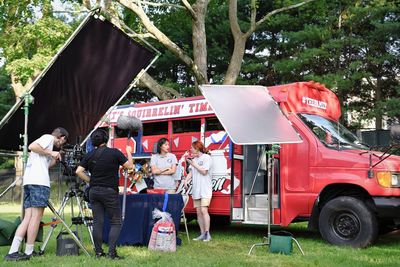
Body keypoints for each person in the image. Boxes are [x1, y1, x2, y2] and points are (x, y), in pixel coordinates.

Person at [4, 127, 69, 261]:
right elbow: (32, 146)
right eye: (63, 142)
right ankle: (29, 251)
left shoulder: (46, 145)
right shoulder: (48, 138)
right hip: (39, 183)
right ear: (61, 137)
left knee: (28, 218)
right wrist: (51, 152)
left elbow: (45, 164)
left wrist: (55, 157)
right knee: (35, 218)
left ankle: (13, 251)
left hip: (29, 181)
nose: (60, 145)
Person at [75, 128, 133, 260]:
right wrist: (129, 152)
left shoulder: (89, 155)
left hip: (94, 192)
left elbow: (78, 171)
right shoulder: (114, 153)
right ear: (106, 139)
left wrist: (91, 180)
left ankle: (99, 253)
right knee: (116, 221)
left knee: (98, 222)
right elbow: (129, 166)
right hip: (109, 191)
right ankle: (112, 253)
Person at [183, 141, 213, 242]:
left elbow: (204, 172)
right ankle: (202, 233)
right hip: (196, 189)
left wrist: (193, 164)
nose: (191, 149)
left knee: (204, 210)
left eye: (192, 148)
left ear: (197, 148)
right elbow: (191, 173)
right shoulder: (194, 159)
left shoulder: (206, 158)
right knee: (198, 212)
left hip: (205, 189)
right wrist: (186, 180)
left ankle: (207, 233)